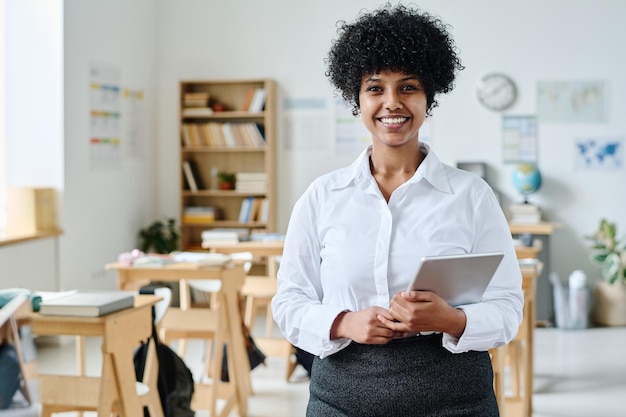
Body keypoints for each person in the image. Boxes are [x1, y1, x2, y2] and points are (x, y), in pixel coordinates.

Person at [271, 3, 524, 416]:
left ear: (429, 97)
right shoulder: (322, 196)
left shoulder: (472, 196)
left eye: (408, 87)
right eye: (375, 87)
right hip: (342, 398)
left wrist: (452, 319)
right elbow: (289, 302)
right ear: (357, 98)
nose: (392, 103)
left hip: (456, 398)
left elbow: (508, 307)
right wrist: (344, 323)